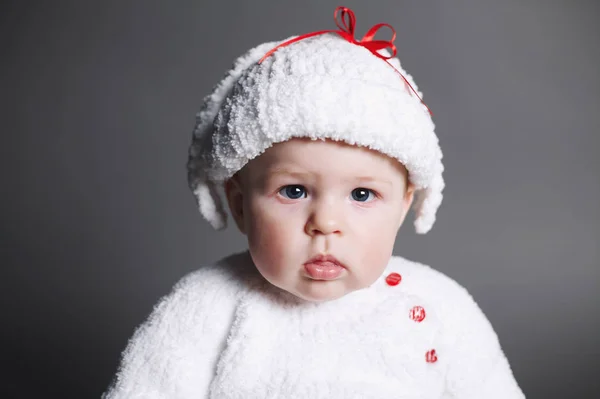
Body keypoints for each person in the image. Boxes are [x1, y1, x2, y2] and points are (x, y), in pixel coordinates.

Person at [102, 6, 525, 398]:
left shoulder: (440, 307)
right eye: (293, 191)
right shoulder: (204, 307)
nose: (324, 223)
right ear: (240, 206)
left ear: (403, 205)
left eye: (362, 194)